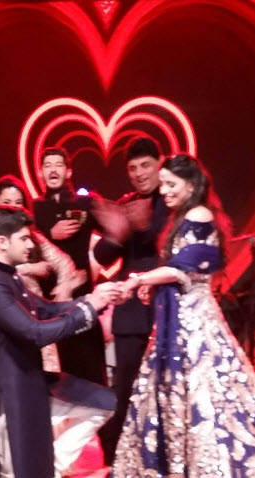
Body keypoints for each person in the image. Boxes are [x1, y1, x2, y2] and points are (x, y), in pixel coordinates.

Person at [112, 154, 255, 477]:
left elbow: (186, 267)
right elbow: (177, 271)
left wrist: (139, 280)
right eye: (162, 184)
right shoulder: (183, 217)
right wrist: (153, 285)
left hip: (195, 324)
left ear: (191, 185)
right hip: (179, 319)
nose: (163, 190)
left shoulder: (198, 214)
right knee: (178, 388)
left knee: (203, 389)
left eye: (170, 184)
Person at [0, 205, 121, 478]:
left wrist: (91, 300)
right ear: (2, 242)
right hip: (10, 392)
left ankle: (54, 466)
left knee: (104, 401)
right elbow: (34, 332)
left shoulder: (7, 276)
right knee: (13, 471)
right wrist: (89, 308)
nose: (31, 245)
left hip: (32, 383)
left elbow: (46, 309)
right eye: (24, 238)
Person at [0, 175, 85, 478]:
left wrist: (65, 287)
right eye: (6, 203)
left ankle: (41, 460)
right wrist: (33, 267)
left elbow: (64, 263)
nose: (13, 208)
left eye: (18, 203)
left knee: (40, 388)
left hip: (32, 313)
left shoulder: (32, 238)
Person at [92, 137, 169, 465]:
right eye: (133, 168)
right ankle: (118, 459)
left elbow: (172, 247)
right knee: (126, 389)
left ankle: (164, 457)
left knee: (166, 387)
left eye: (145, 165)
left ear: (159, 164)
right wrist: (117, 232)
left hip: (167, 307)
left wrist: (146, 227)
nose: (139, 173)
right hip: (132, 314)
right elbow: (102, 255)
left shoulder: (174, 199)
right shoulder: (127, 204)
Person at [32, 147, 110, 452]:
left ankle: (110, 452)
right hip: (46, 306)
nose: (52, 170)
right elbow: (24, 248)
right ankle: (52, 452)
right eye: (47, 165)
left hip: (83, 303)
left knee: (93, 375)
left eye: (58, 165)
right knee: (54, 377)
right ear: (40, 172)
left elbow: (113, 237)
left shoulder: (84, 203)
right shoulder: (34, 209)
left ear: (68, 172)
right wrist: (47, 234)